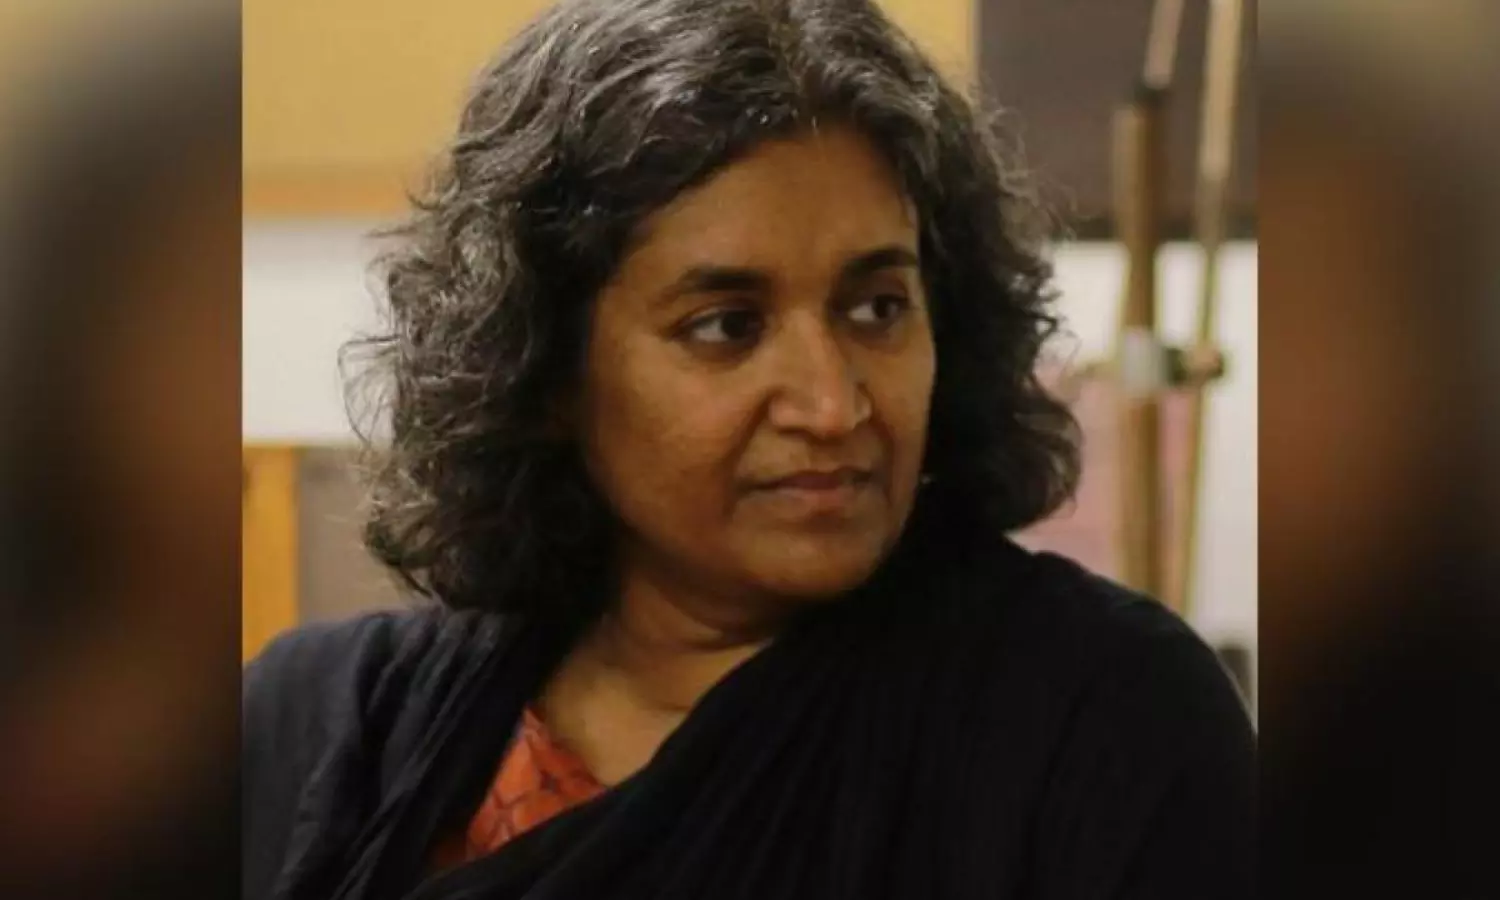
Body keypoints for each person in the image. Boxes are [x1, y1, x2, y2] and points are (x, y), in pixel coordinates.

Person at [242, 0, 1254, 897]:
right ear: (545, 371)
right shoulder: (325, 733)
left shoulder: (1099, 723)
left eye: (876, 307)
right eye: (727, 326)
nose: (833, 404)